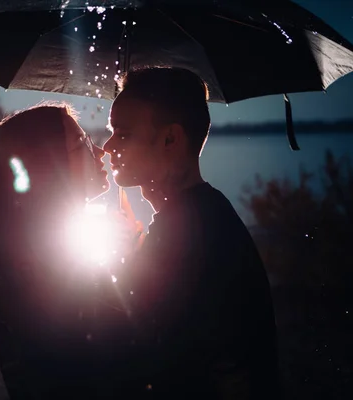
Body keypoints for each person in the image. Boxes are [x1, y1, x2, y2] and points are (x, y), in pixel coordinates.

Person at [103, 67, 282, 399]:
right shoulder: (203, 213)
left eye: (123, 133)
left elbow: (127, 347)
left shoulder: (185, 231)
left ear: (171, 138)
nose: (107, 146)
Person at [0, 102, 119, 399]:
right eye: (82, 143)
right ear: (48, 168)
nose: (100, 151)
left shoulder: (40, 255)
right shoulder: (45, 272)